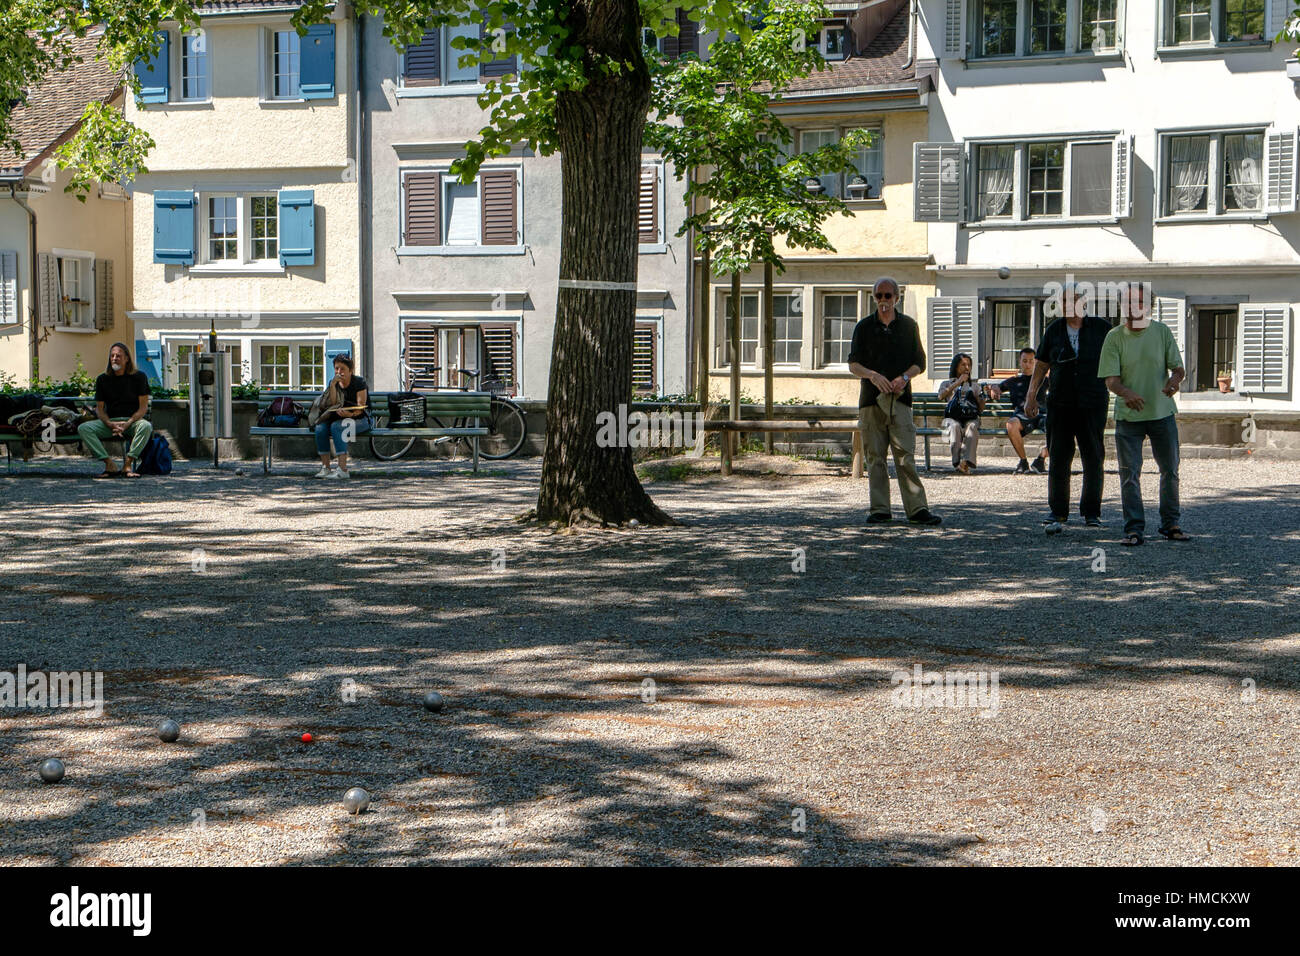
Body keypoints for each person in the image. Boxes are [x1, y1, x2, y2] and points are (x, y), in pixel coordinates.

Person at [1099, 282, 1190, 546]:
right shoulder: (1114, 337)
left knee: (1170, 470)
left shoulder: (1161, 332)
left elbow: (1178, 369)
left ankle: (1171, 524)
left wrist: (1174, 383)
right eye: (1127, 302)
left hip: (1162, 413)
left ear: (1148, 306)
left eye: (1139, 302)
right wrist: (1127, 393)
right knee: (1129, 474)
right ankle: (1134, 529)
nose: (1132, 307)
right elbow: (1111, 380)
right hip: (1129, 417)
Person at [847, 277, 942, 526]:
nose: (883, 301)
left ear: (897, 298)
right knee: (875, 457)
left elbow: (920, 362)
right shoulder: (863, 327)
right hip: (870, 401)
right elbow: (853, 364)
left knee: (905, 456)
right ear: (874, 298)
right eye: (879, 296)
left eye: (888, 296)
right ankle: (880, 510)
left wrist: (904, 377)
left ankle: (917, 509)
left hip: (900, 400)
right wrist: (872, 375)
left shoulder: (909, 326)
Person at [1025, 282, 1113, 535]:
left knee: (1093, 457)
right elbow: (1041, 365)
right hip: (1060, 403)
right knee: (1059, 457)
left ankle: (1091, 512)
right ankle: (1058, 510)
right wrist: (1031, 397)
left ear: (1083, 302)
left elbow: (1118, 359)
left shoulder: (1101, 328)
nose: (1065, 305)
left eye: (1070, 300)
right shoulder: (1053, 330)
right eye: (1062, 301)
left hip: (1092, 402)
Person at [77, 342, 153, 479]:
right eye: (112, 356)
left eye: (118, 356)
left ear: (127, 359)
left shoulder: (139, 377)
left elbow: (143, 407)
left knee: (146, 426)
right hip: (110, 423)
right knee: (84, 428)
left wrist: (128, 423)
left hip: (132, 422)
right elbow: (100, 409)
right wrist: (109, 423)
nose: (114, 358)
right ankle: (109, 464)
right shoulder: (102, 379)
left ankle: (128, 464)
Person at [988, 347, 1048, 475]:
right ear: (1020, 362)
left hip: (1042, 414)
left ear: (1035, 362)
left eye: (1031, 361)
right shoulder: (1013, 381)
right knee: (1011, 424)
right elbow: (997, 387)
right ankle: (1023, 462)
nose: (1028, 364)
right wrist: (994, 389)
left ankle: (1041, 459)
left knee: (1062, 427)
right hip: (1022, 416)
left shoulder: (1043, 380)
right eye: (1025, 361)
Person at [313, 354, 370, 479]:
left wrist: (349, 414)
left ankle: (343, 469)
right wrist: (332, 385)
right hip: (338, 416)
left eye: (342, 369)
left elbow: (361, 407)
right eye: (337, 368)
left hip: (360, 419)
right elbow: (333, 404)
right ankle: (326, 468)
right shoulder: (334, 383)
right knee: (320, 428)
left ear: (350, 370)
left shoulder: (359, 382)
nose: (339, 372)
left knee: (337, 427)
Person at [937, 353, 985, 474]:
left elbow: (980, 409)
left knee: (972, 427)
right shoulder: (946, 384)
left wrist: (983, 398)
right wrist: (958, 383)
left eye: (969, 365)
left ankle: (965, 462)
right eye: (963, 364)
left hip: (970, 417)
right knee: (955, 427)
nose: (967, 367)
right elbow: (941, 396)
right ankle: (958, 462)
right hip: (952, 418)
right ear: (955, 367)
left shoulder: (974, 385)